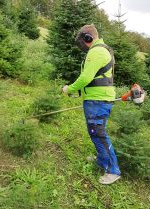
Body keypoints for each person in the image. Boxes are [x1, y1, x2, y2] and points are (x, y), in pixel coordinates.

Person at [62, 24, 121, 185]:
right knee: (96, 132)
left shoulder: (96, 51)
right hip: (98, 99)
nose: (81, 45)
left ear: (88, 38)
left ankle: (113, 170)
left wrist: (69, 89)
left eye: (82, 40)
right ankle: (102, 159)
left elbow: (85, 78)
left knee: (98, 134)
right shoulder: (102, 50)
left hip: (98, 100)